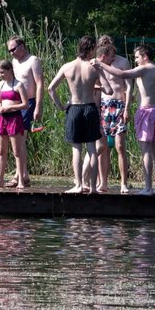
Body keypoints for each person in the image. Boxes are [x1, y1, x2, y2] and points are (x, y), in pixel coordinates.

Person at [94, 43, 155, 195]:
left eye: (137, 57)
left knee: (146, 150)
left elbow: (122, 74)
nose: (136, 61)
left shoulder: (144, 69)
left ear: (145, 56)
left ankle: (148, 188)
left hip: (146, 111)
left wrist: (100, 64)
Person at [48, 36, 112, 194]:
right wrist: (99, 87)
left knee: (76, 149)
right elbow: (109, 90)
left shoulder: (67, 66)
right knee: (91, 149)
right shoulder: (94, 67)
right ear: (90, 49)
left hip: (74, 108)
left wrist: (62, 106)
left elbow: (51, 88)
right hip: (90, 108)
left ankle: (78, 185)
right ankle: (92, 188)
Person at [95, 38, 133, 193]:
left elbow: (129, 86)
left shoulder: (122, 62)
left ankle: (123, 183)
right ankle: (102, 182)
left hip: (119, 104)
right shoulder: (98, 64)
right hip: (104, 105)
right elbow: (95, 85)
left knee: (120, 146)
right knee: (102, 147)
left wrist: (127, 108)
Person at [7, 35, 44, 186]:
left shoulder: (32, 60)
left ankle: (18, 176)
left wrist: (38, 107)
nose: (11, 53)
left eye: (13, 49)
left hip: (28, 103)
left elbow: (40, 84)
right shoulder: (15, 62)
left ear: (22, 46)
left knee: (20, 140)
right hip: (16, 103)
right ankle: (24, 175)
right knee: (17, 141)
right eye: (9, 50)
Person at [0, 60, 30, 189]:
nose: (0, 75)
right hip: (3, 118)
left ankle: (21, 180)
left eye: (3, 72)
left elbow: (26, 104)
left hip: (14, 118)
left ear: (10, 70)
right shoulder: (0, 85)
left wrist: (11, 108)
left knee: (17, 151)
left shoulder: (18, 85)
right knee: (1, 151)